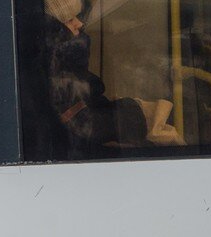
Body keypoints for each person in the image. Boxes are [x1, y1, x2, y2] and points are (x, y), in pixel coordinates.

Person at [39, 0, 148, 159]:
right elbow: (83, 126)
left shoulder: (63, 63)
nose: (79, 23)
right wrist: (131, 114)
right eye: (69, 20)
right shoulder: (59, 64)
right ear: (54, 29)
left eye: (77, 16)